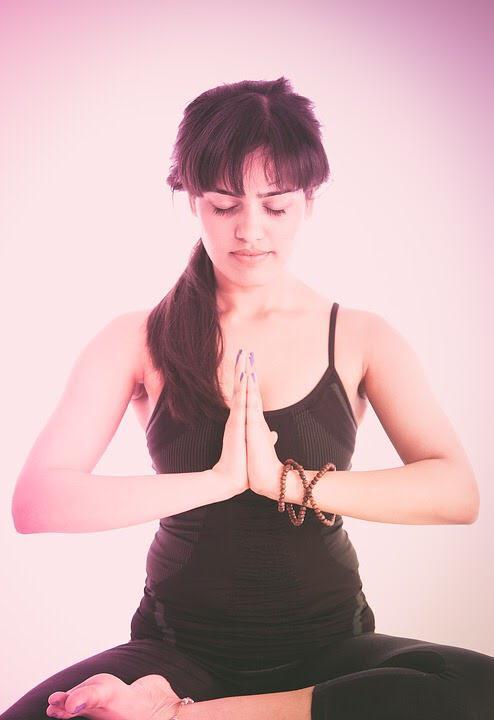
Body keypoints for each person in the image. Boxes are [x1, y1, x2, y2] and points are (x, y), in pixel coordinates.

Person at [3, 77, 493, 720]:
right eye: (225, 205)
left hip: (330, 656)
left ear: (309, 201)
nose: (250, 231)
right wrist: (220, 479)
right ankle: (168, 697)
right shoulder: (137, 339)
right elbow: (38, 501)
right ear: (193, 201)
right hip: (176, 650)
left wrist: (282, 483)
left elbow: (457, 492)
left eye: (277, 206)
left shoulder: (361, 337)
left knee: (472, 687)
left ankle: (178, 716)